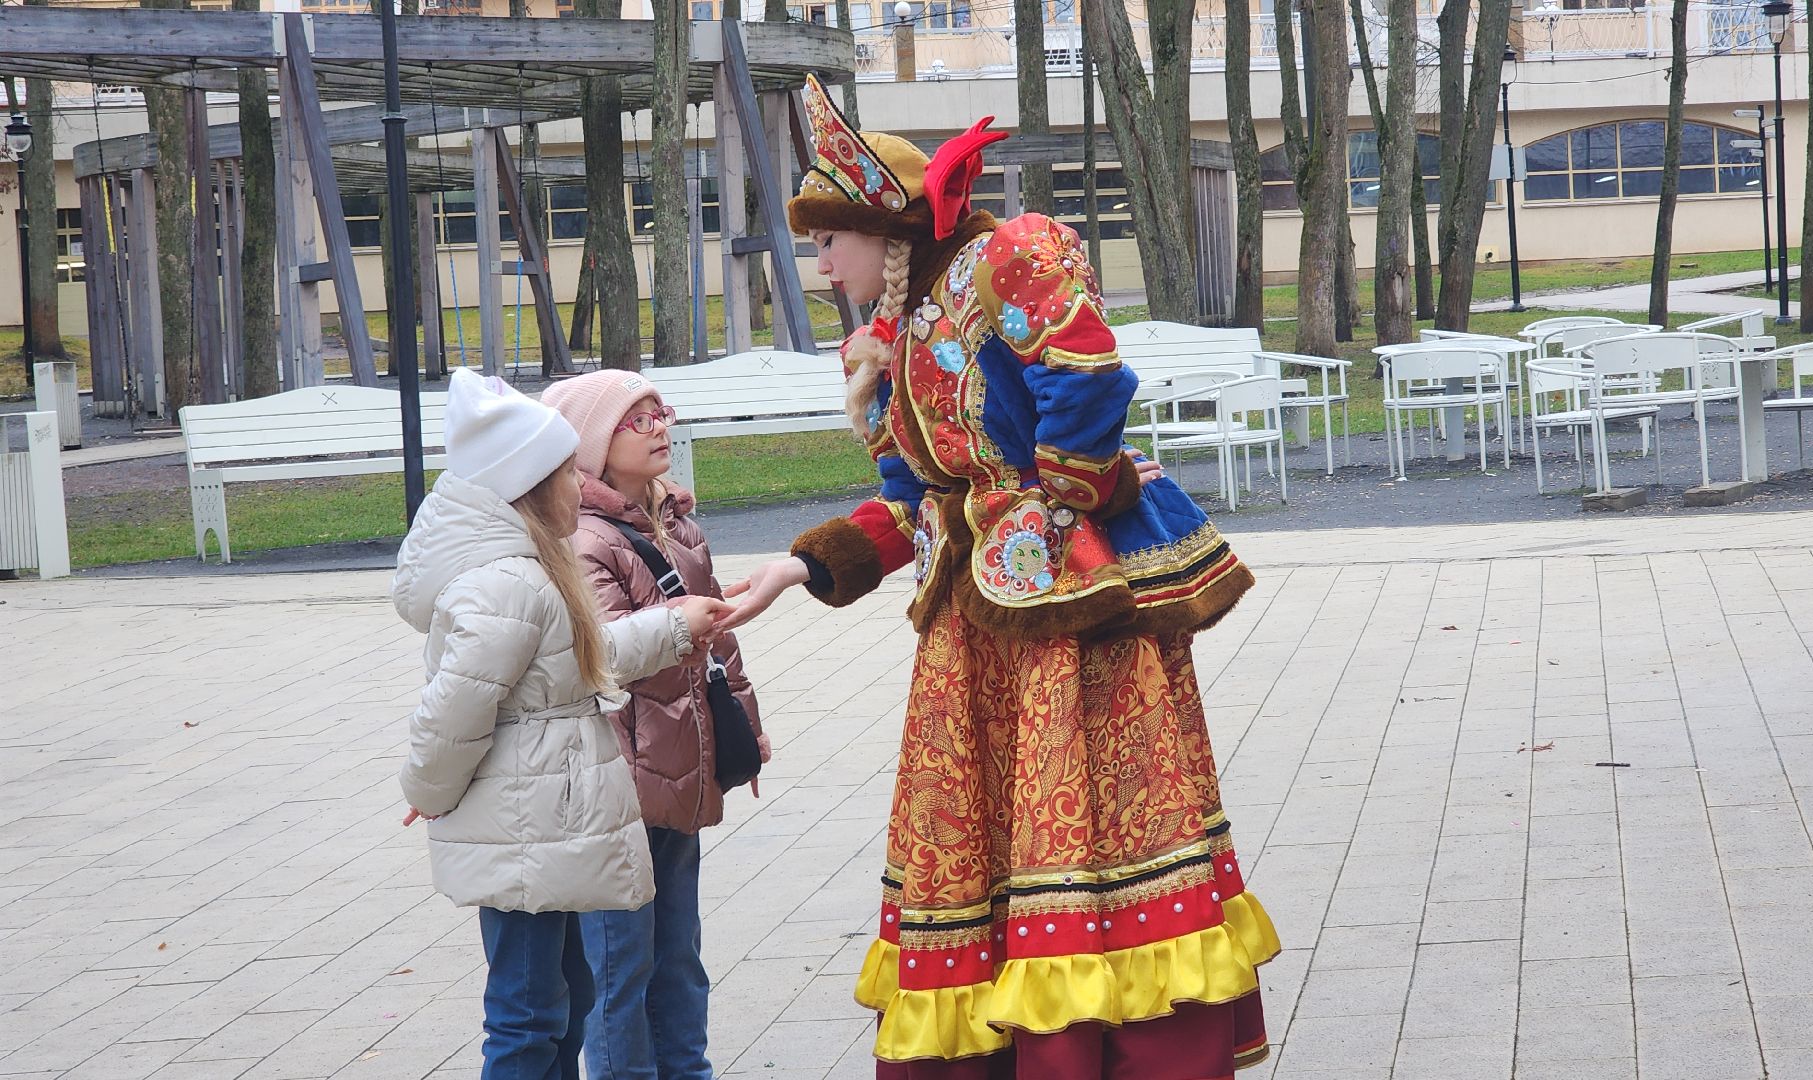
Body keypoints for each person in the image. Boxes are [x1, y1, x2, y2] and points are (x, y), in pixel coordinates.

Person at [719, 78, 1280, 1079]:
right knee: (989, 851)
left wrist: (1059, 501)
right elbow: (912, 499)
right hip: (971, 638)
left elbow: (1088, 374)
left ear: (875, 226)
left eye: (824, 239)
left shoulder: (1000, 259)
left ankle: (1114, 1049)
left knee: (1094, 836)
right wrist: (802, 567)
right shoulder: (890, 334)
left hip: (1067, 626)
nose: (819, 262)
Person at [393, 369, 732, 1080]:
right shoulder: (507, 583)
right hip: (521, 825)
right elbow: (456, 705)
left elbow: (579, 658)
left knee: (561, 1007)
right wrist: (425, 787)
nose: (581, 485)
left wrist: (672, 628)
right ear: (532, 483)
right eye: (566, 473)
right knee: (527, 1016)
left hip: (548, 819)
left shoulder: (531, 566)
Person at [542, 370, 767, 1080]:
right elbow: (606, 653)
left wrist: (746, 735)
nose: (661, 427)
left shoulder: (676, 523)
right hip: (619, 785)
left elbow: (721, 644)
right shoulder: (583, 539)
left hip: (677, 770)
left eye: (661, 412)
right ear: (593, 444)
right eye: (637, 420)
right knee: (620, 972)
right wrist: (681, 622)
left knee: (679, 959)